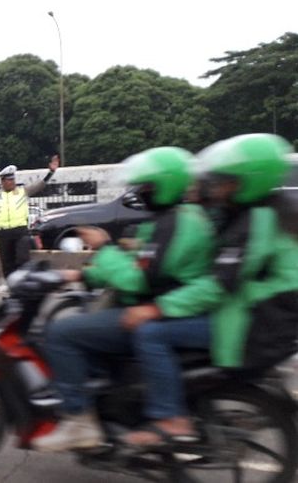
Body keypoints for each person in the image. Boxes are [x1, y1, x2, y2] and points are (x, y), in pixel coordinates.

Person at [32, 147, 218, 452]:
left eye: (147, 187)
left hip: (162, 310)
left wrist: (104, 248)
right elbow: (138, 262)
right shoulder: (174, 219)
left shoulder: (176, 223)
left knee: (61, 333)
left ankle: (78, 420)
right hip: (164, 305)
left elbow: (137, 278)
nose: (141, 193)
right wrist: (82, 276)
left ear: (165, 186)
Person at [125, 134, 298, 446]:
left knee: (152, 333)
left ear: (250, 181)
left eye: (225, 182)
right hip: (259, 311)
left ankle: (171, 417)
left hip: (254, 320)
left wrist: (158, 308)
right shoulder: (267, 211)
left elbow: (221, 283)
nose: (216, 189)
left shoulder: (257, 220)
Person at [0, 156, 60, 278]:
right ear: (2, 181)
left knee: (22, 260)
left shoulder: (23, 192)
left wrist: (51, 172)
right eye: (9, 180)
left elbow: (40, 185)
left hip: (20, 232)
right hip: (3, 234)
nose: (12, 182)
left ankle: (22, 288)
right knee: (7, 264)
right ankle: (12, 291)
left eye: (13, 179)